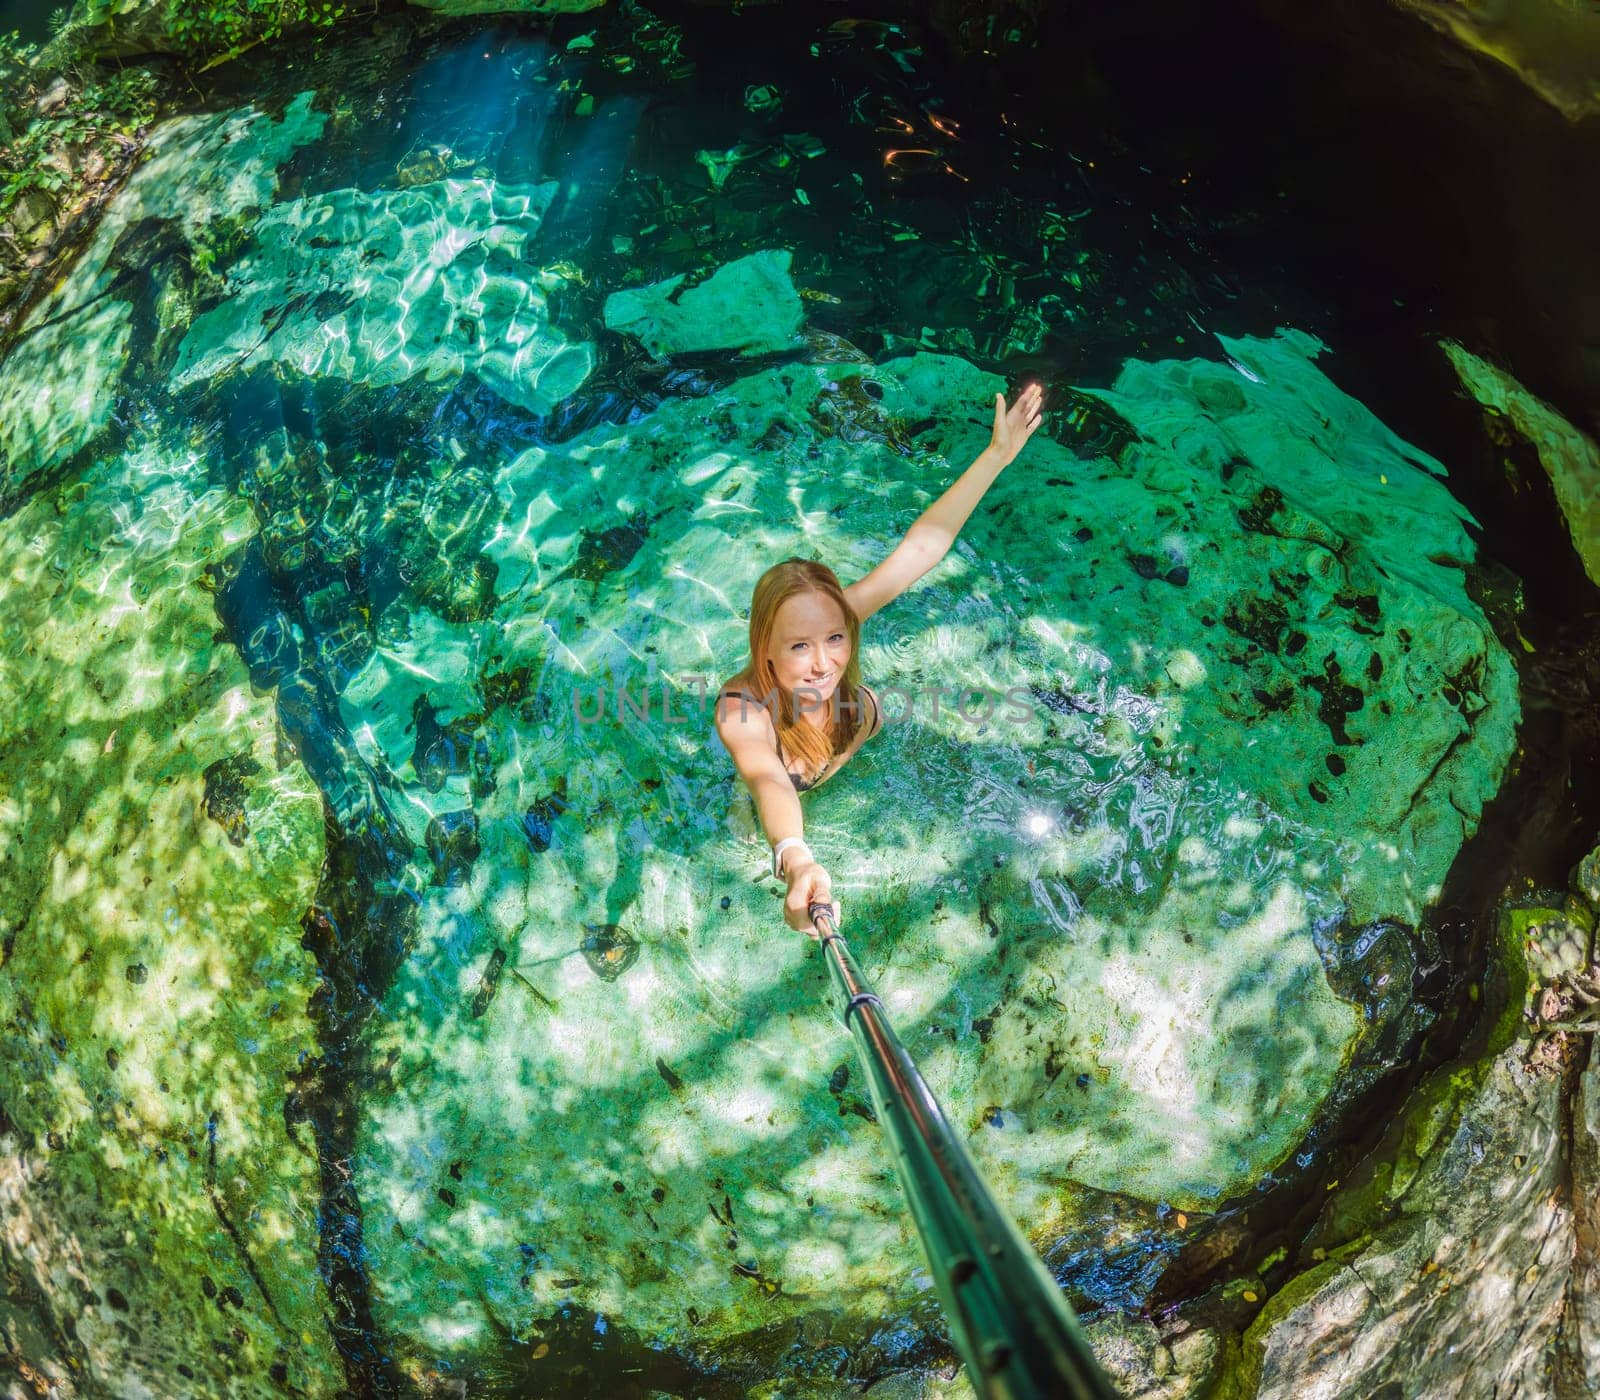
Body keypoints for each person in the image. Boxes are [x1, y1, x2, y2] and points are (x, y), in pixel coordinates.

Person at [714, 382, 1045, 938]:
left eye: (835, 639)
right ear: (764, 647)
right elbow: (767, 777)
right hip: (795, 781)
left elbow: (923, 547)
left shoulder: (843, 623)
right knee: (753, 806)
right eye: (798, 647)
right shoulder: (741, 711)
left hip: (855, 727)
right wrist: (796, 857)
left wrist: (995, 457)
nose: (823, 663)